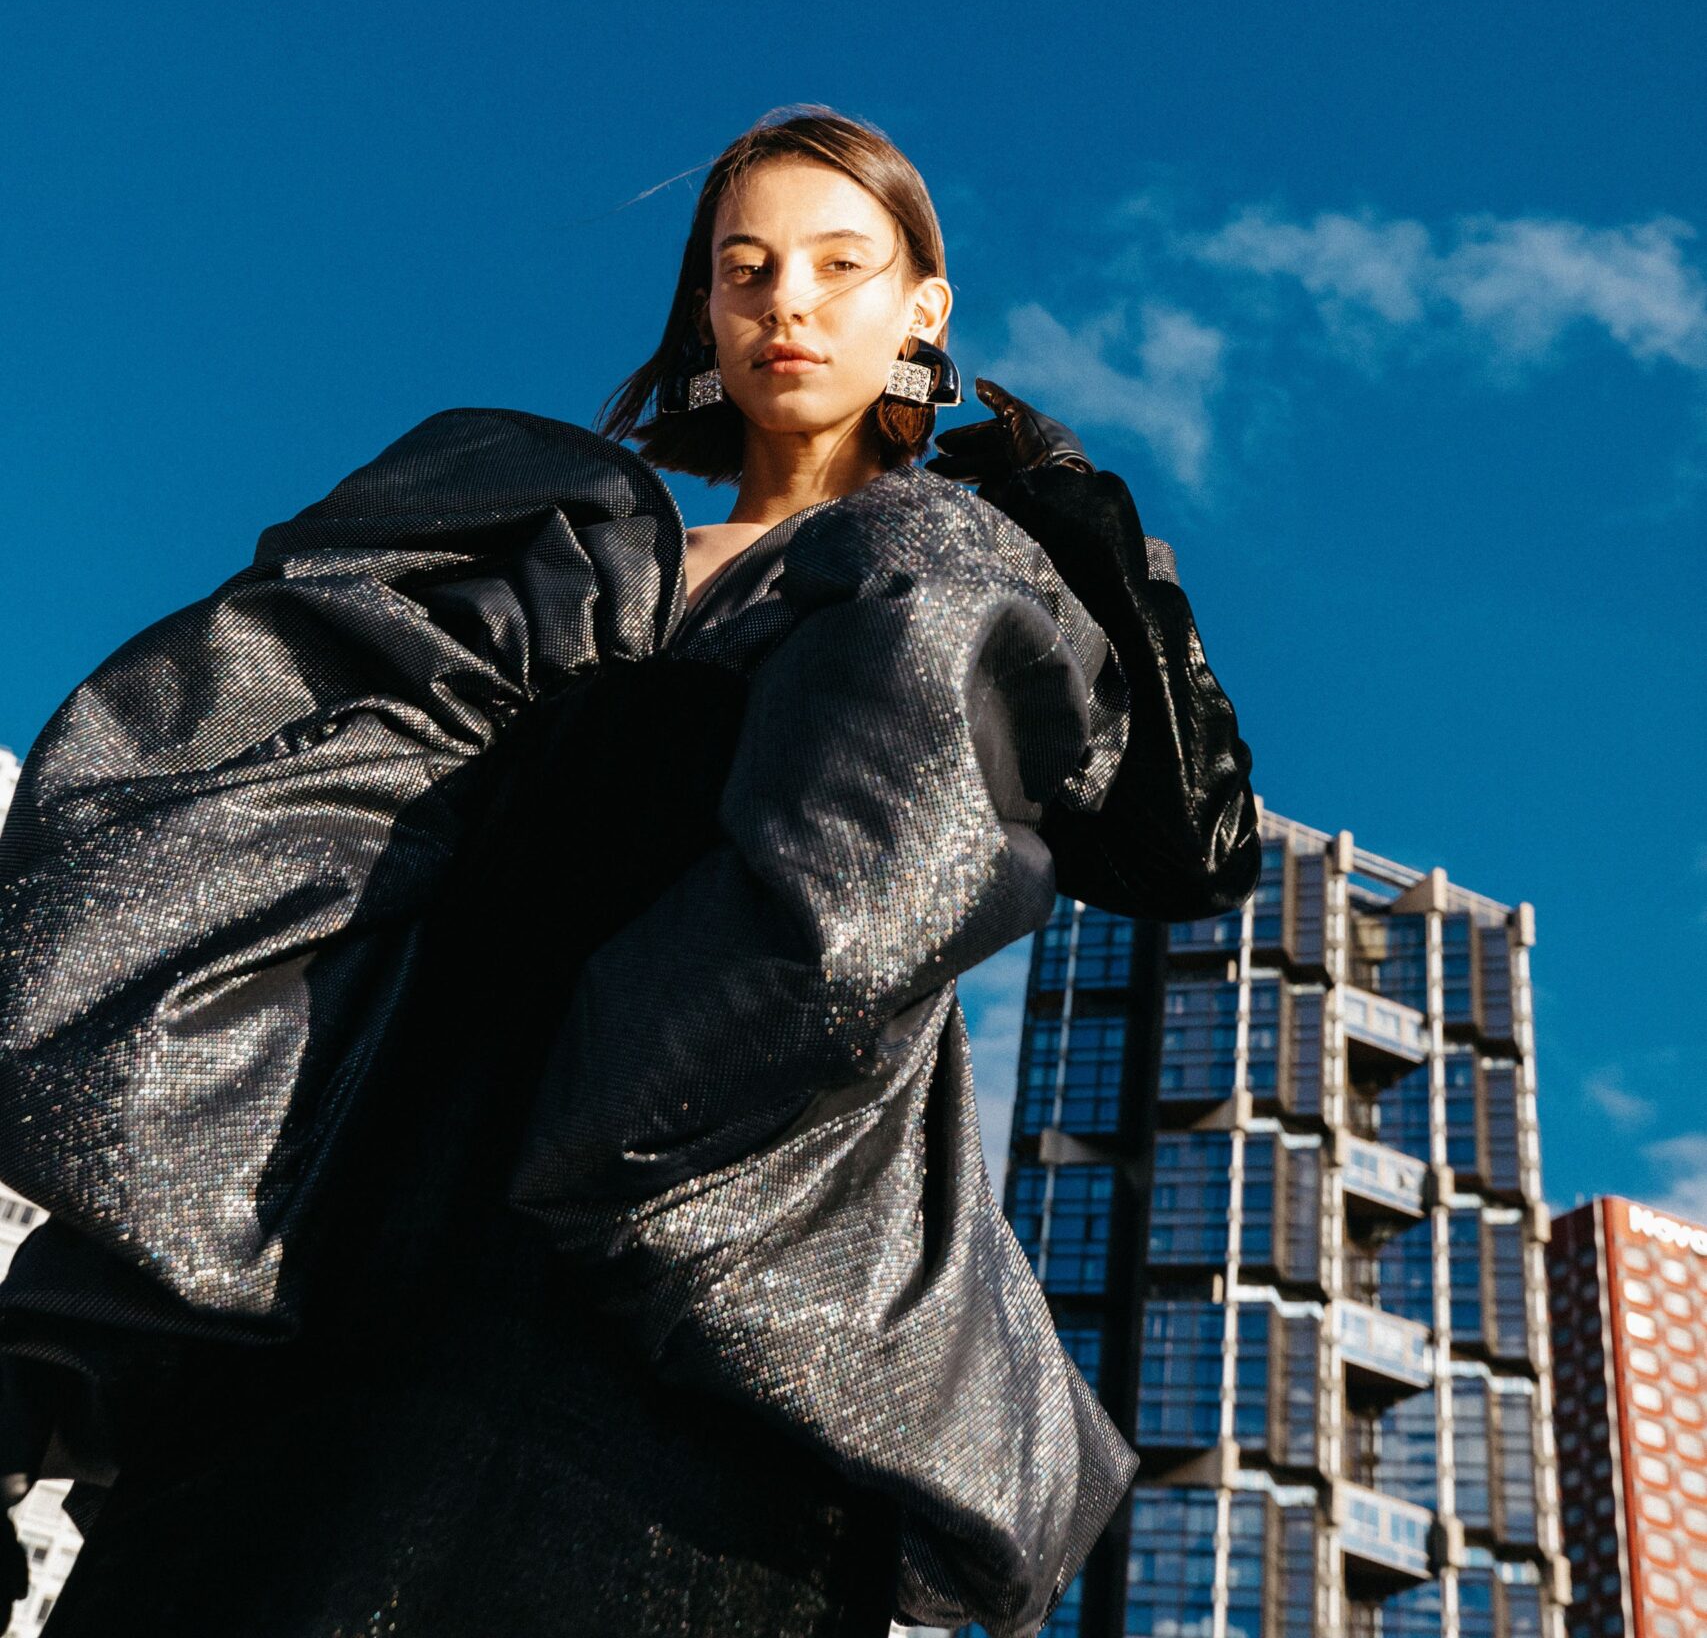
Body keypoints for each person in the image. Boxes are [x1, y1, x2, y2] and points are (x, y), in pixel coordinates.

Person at [0, 107, 1258, 1638]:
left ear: (923, 305)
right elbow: (308, 858)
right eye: (745, 271)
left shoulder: (952, 567)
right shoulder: (549, 551)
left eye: (839, 264)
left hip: (708, 1287)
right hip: (369, 1250)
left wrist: (1074, 529)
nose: (785, 303)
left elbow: (1180, 852)